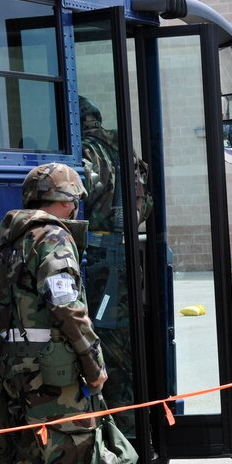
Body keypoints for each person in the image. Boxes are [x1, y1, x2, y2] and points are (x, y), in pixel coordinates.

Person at [0, 163, 107, 464]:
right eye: (74, 202)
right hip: (56, 383)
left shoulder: (9, 240)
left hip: (16, 375)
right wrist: (93, 361)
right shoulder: (51, 236)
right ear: (67, 200)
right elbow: (65, 302)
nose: (75, 211)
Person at [79, 95, 152, 436]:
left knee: (102, 351)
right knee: (123, 352)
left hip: (99, 267)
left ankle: (119, 439)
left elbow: (76, 198)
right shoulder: (125, 153)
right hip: (122, 262)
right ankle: (133, 432)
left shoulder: (87, 152)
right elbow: (145, 204)